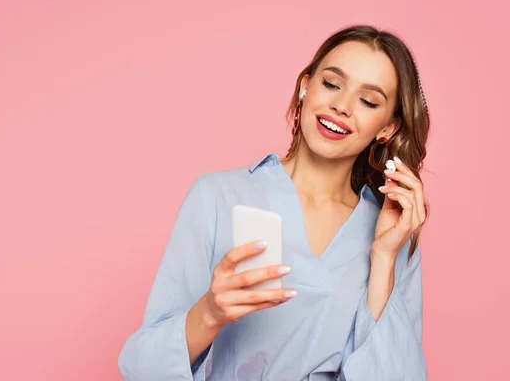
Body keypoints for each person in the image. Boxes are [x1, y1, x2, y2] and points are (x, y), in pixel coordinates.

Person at [118, 24, 430, 380]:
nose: (341, 106)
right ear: (304, 87)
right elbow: (143, 369)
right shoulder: (217, 197)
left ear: (387, 128)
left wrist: (385, 256)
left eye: (368, 101)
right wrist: (210, 312)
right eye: (331, 84)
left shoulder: (392, 235)